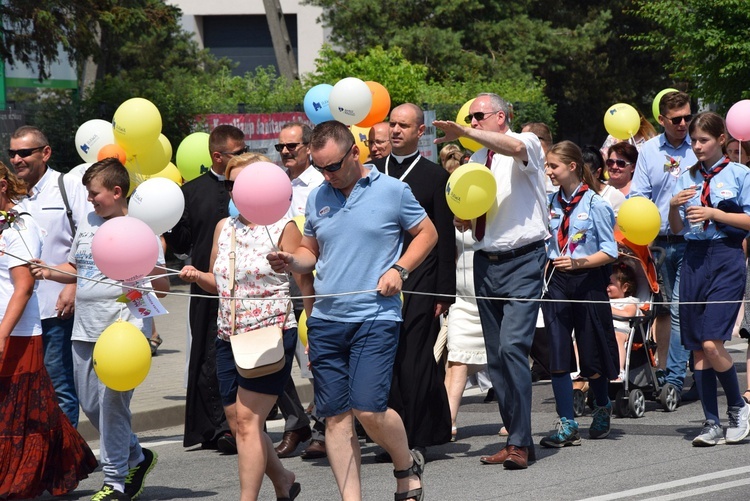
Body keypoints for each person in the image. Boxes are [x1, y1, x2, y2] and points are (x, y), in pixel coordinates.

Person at [268, 120, 435, 501]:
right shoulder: (318, 196)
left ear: (354, 154)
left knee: (369, 409)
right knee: (336, 417)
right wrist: (292, 260)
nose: (326, 176)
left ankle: (405, 463)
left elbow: (427, 233)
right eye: (319, 168)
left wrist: (399, 269)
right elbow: (311, 253)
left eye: (332, 167)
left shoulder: (393, 190)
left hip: (375, 315)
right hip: (326, 319)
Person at [31, 158, 168, 500]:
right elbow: (78, 267)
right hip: (84, 328)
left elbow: (163, 286)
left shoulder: (141, 227)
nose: (89, 200)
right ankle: (137, 456)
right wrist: (47, 271)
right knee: (92, 406)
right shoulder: (90, 221)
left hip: (122, 333)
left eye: (94, 194)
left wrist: (143, 266)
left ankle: (115, 482)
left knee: (112, 408)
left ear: (116, 191)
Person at [179, 153, 304, 501]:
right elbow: (218, 283)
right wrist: (195, 275)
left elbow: (302, 269)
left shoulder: (283, 225)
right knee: (237, 422)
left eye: (243, 184)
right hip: (228, 333)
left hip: (269, 332)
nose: (235, 191)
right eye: (231, 184)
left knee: (249, 423)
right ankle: (283, 478)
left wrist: (288, 262)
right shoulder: (226, 227)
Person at [433, 92, 547, 469]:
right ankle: (516, 436)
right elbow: (475, 208)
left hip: (524, 260)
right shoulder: (478, 159)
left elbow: (514, 145)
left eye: (479, 115)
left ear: (502, 116)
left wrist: (462, 130)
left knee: (514, 347)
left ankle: (519, 442)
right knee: (496, 358)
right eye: (470, 116)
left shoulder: (525, 142)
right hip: (486, 261)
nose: (473, 120)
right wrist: (465, 219)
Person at [0, 163, 97, 499]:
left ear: (1, 185)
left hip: (18, 332)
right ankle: (65, 460)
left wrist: (2, 334)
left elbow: (23, 287)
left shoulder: (20, 225)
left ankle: (22, 478)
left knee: (20, 410)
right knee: (33, 409)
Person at [372, 103, 454, 460]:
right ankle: (388, 436)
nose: (395, 130)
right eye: (392, 124)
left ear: (421, 132)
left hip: (421, 280)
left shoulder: (434, 176)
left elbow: (445, 237)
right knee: (382, 356)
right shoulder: (373, 171)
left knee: (414, 357)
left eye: (404, 125)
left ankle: (418, 434)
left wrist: (444, 291)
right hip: (376, 276)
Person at [668, 111, 750, 446]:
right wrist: (673, 207)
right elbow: (675, 229)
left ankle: (738, 407)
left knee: (712, 341)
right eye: (693, 141)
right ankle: (711, 422)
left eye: (703, 140)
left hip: (727, 256)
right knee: (696, 348)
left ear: (721, 140)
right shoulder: (685, 176)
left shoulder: (740, 173)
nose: (697, 147)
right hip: (694, 258)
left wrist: (715, 213)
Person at [164, 124, 246, 452]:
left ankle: (248, 421)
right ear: (217, 155)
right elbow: (181, 241)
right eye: (238, 153)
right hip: (206, 284)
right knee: (209, 356)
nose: (245, 157)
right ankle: (217, 426)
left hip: (246, 286)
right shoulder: (192, 191)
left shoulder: (251, 186)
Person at [539, 140, 619, 448]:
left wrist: (578, 262)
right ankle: (567, 422)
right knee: (558, 351)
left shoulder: (595, 204)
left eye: (553, 166)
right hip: (556, 280)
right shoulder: (550, 203)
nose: (549, 172)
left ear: (572, 167)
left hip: (587, 281)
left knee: (591, 352)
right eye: (547, 166)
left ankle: (601, 405)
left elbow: (610, 251)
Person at [10, 125, 90, 427]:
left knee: (60, 390)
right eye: (12, 153)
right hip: (21, 313)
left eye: (24, 152)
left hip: (56, 309)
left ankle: (64, 465)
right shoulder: (12, 197)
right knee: (29, 392)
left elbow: (90, 241)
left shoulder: (68, 187)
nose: (17, 159)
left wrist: (75, 284)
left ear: (45, 153)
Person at [630, 90, 697, 397]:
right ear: (661, 120)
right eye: (677, 119)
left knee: (684, 309)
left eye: (688, 117)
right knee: (666, 310)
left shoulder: (698, 146)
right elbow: (638, 197)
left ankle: (674, 377)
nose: (684, 123)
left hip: (694, 240)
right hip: (659, 241)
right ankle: (685, 369)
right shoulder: (649, 151)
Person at [274, 122, 326, 460]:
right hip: (277, 280)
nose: (285, 152)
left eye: (292, 146)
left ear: (308, 147)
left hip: (314, 278)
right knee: (272, 357)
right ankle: (296, 423)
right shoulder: (272, 184)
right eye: (280, 148)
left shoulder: (322, 184)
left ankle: (324, 426)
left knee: (318, 356)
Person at [439, 143, 488, 442]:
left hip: (490, 294)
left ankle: (513, 418)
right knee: (456, 357)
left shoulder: (494, 209)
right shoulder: (450, 208)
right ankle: (448, 420)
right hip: (462, 296)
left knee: (504, 358)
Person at [608, 262, 640, 382]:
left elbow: (628, 314)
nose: (606, 287)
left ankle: (619, 370)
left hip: (621, 329)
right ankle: (579, 369)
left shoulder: (629, 301)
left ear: (625, 287)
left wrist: (608, 310)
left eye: (610, 284)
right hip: (603, 328)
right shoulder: (603, 300)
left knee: (617, 338)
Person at [582, 145, 626, 214]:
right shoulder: (573, 194)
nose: (581, 179)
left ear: (598, 173)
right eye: (577, 174)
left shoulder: (615, 197)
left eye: (586, 175)